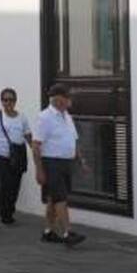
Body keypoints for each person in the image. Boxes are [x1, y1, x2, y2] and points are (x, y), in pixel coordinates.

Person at [32, 84, 86, 247]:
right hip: (51, 162)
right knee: (60, 198)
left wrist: (81, 161)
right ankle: (68, 232)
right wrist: (39, 170)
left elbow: (73, 140)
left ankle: (48, 232)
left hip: (65, 163)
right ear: (58, 99)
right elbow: (36, 145)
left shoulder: (67, 116)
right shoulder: (45, 118)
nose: (70, 99)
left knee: (53, 198)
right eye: (67, 96)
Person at [0, 88, 31, 225]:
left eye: (11, 99)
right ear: (1, 101)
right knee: (4, 185)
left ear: (15, 101)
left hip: (18, 155)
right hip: (0, 156)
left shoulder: (22, 118)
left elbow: (28, 136)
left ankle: (9, 212)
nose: (8, 102)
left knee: (15, 185)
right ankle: (3, 214)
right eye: (5, 99)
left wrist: (37, 150)